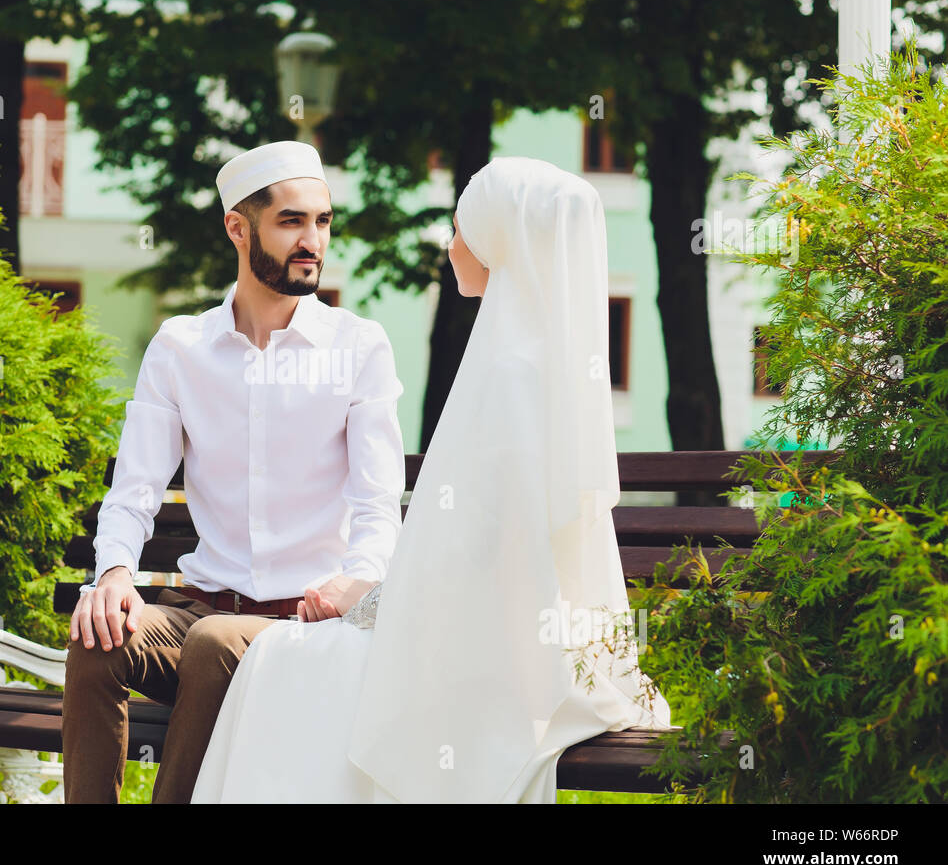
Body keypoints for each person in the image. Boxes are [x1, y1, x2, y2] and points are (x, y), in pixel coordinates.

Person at [191, 156, 673, 803]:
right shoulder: (532, 362)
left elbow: (481, 558)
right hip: (487, 626)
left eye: (461, 229)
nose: (450, 247)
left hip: (474, 642)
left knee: (282, 669)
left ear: (500, 240)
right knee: (288, 659)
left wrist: (364, 603)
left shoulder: (509, 374)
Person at [61, 140, 407, 803]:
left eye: (323, 222)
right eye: (292, 222)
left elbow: (376, 506)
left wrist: (355, 581)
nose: (313, 241)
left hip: (305, 632)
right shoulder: (181, 347)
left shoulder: (358, 347)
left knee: (215, 643)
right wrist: (112, 576)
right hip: (200, 615)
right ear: (237, 229)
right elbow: (134, 489)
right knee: (96, 636)